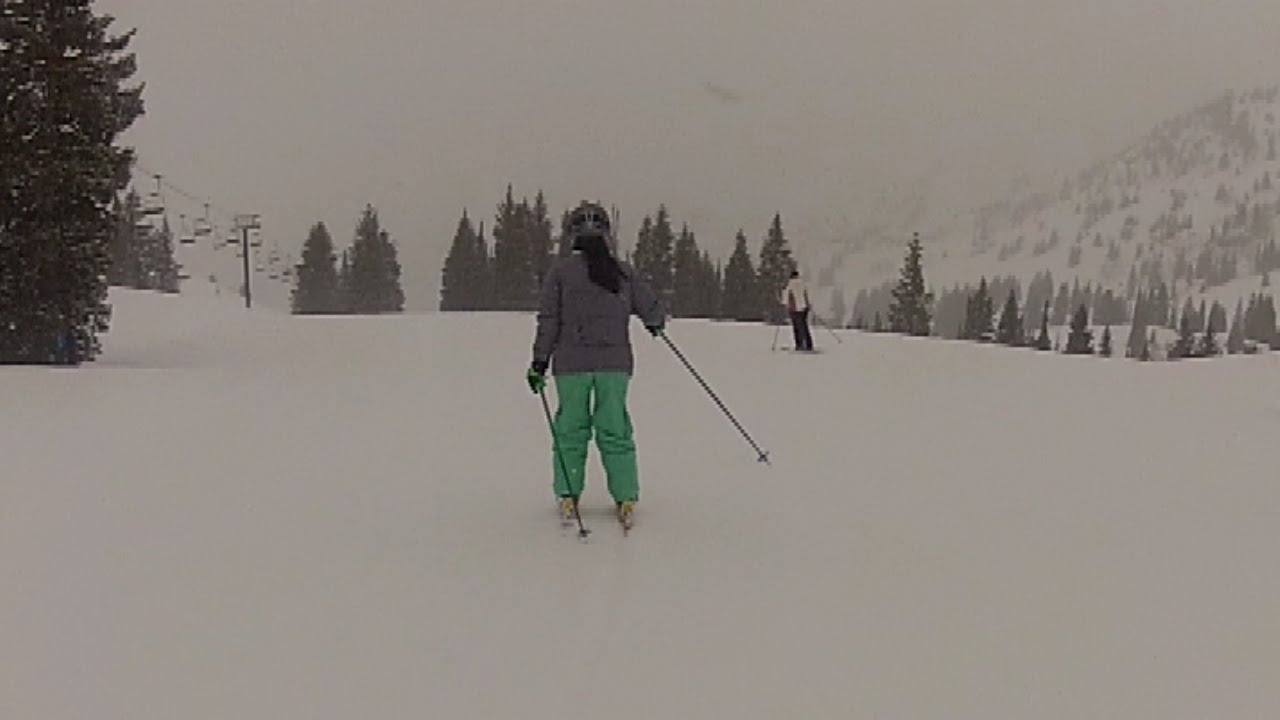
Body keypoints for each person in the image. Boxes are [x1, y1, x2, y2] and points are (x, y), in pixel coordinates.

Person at [527, 201, 666, 528]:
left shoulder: (560, 273)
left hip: (571, 365)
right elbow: (649, 305)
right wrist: (655, 322)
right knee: (614, 427)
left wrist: (538, 363)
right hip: (614, 365)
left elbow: (549, 320)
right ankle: (625, 495)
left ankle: (568, 492)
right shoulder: (621, 271)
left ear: (572, 234)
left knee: (571, 429)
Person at [781, 269, 814, 351]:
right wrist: (808, 306)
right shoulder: (803, 284)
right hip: (804, 309)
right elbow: (807, 296)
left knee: (796, 328)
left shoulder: (789, 285)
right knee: (804, 327)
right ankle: (808, 344)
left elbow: (786, 299)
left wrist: (785, 305)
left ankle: (799, 345)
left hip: (794, 310)